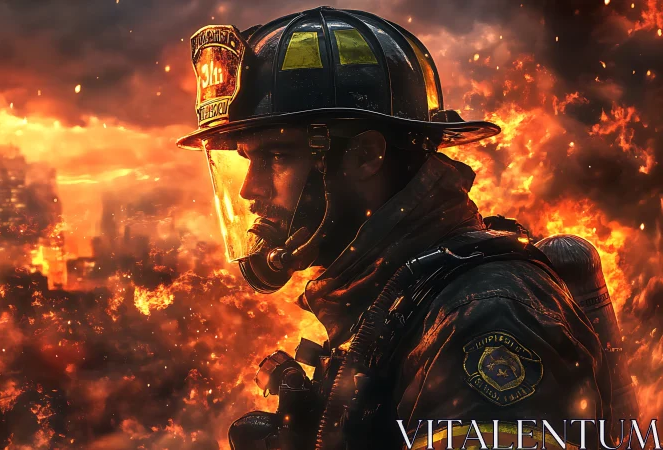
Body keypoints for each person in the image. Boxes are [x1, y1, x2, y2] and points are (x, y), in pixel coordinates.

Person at [177, 7, 613, 449]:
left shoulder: (483, 315)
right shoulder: (393, 300)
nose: (251, 190)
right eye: (250, 161)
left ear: (366, 155)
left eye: (278, 156)